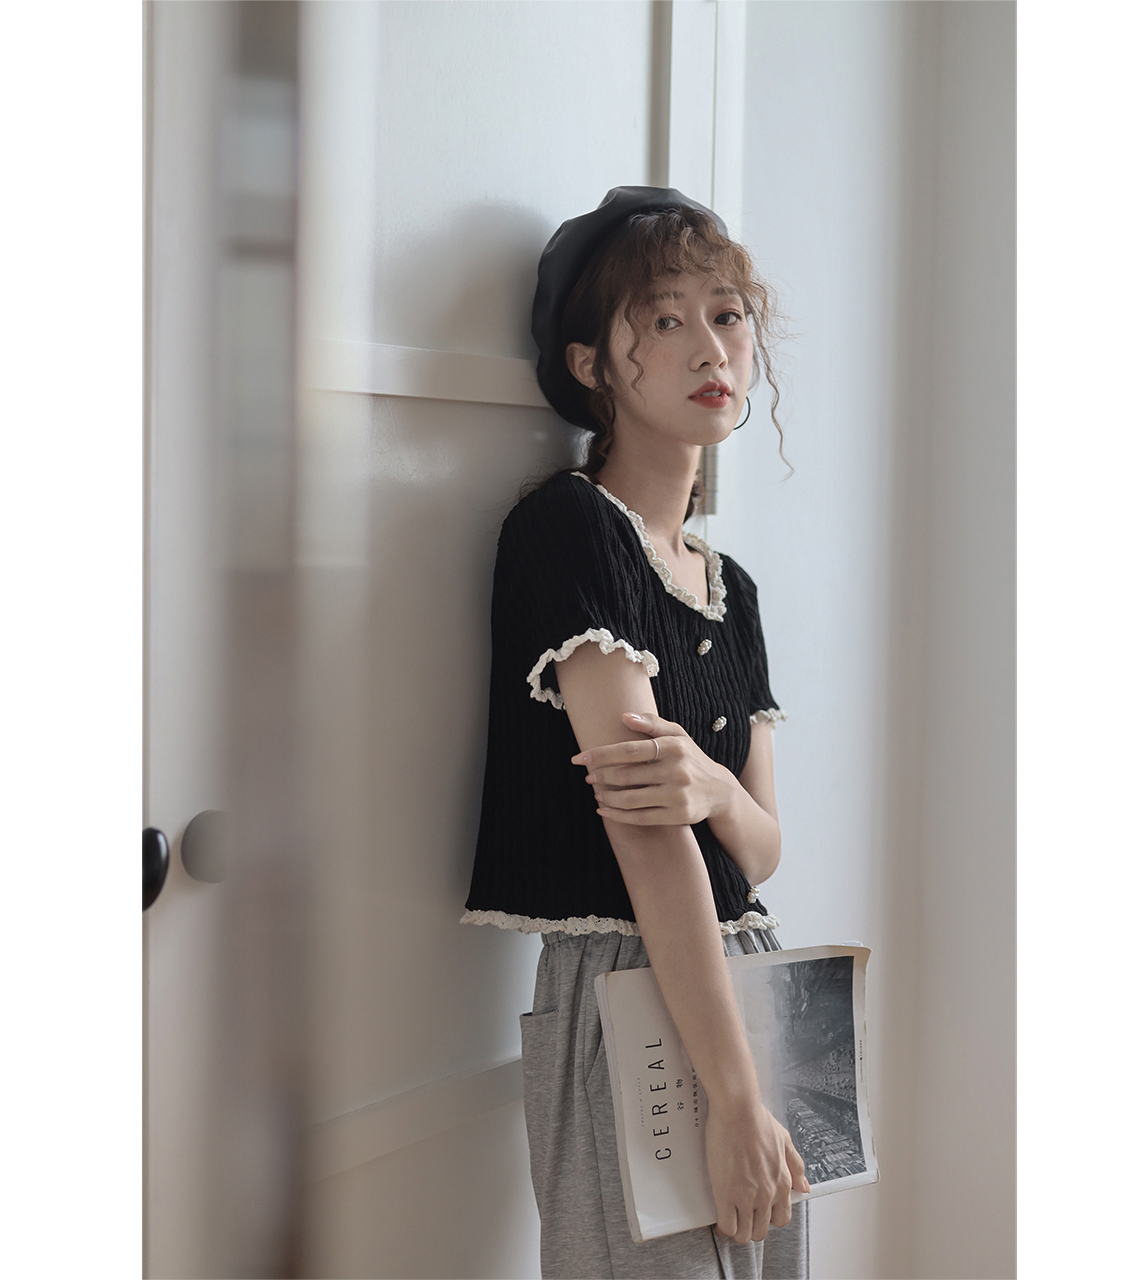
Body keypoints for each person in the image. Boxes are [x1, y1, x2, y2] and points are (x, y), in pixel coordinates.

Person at [462, 187, 808, 1279]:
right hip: (630, 982)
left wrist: (712, 783)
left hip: (746, 976)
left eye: (727, 313)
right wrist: (735, 1100)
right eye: (664, 319)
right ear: (591, 365)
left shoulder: (730, 586)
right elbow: (649, 843)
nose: (711, 346)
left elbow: (761, 847)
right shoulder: (567, 529)